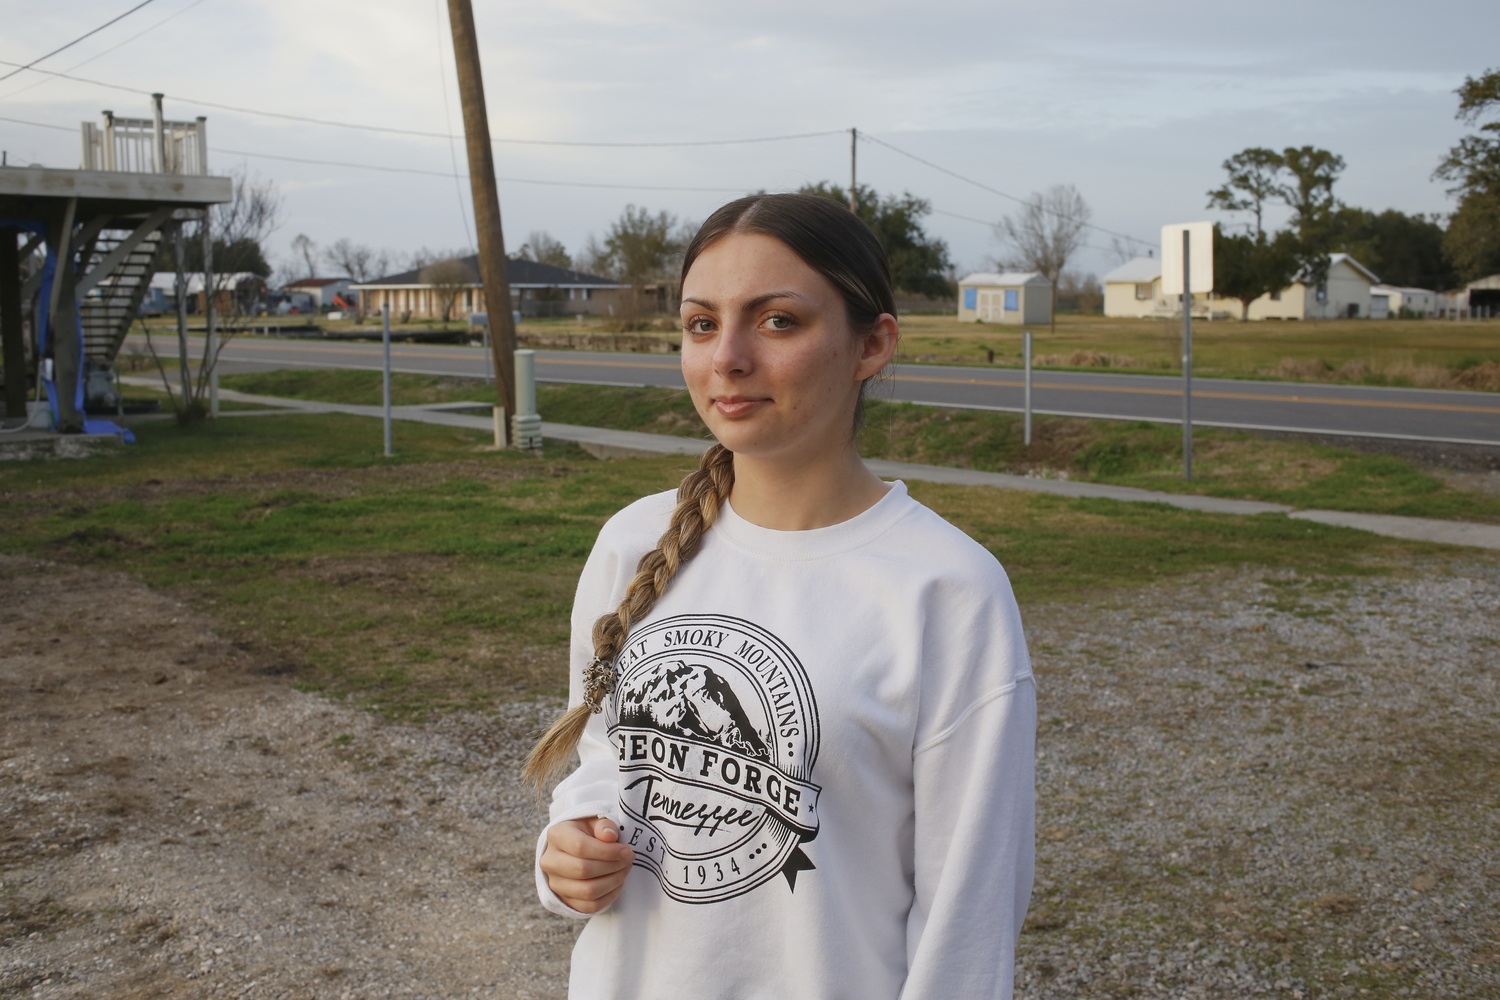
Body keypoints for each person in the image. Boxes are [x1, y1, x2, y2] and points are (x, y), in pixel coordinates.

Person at [527, 193, 1035, 1000]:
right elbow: (604, 765)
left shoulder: (947, 590)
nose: (727, 356)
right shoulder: (633, 542)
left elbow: (967, 914)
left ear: (872, 344)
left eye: (777, 322)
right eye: (701, 324)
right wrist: (570, 849)